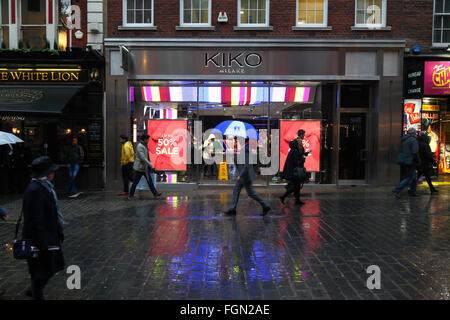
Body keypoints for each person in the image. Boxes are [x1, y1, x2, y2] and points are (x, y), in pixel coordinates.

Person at [23, 156, 65, 300]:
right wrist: (43, 243)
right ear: (46, 174)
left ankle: (34, 290)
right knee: (41, 271)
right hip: (40, 239)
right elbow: (36, 219)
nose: (54, 173)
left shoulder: (45, 187)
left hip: (49, 235)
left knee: (48, 269)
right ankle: (36, 293)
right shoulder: (35, 190)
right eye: (52, 171)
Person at [224, 138, 271, 216]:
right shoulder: (245, 148)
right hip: (245, 175)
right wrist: (235, 159)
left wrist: (240, 175)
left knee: (251, 193)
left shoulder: (245, 149)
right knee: (236, 190)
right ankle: (232, 208)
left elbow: (246, 165)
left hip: (245, 176)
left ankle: (265, 205)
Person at [128, 134, 162, 200]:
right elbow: (143, 158)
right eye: (148, 139)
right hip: (140, 168)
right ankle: (130, 195)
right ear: (145, 139)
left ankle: (155, 193)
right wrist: (151, 165)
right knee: (135, 182)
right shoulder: (140, 146)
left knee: (149, 181)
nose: (149, 140)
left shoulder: (144, 145)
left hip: (144, 168)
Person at [393, 127, 420, 199]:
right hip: (411, 161)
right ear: (414, 133)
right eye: (416, 132)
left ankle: (412, 192)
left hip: (405, 160)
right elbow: (415, 151)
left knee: (414, 177)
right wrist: (417, 160)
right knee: (410, 177)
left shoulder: (404, 139)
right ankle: (397, 189)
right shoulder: (413, 140)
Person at [279, 140, 306, 205]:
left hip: (292, 172)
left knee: (297, 186)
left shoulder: (292, 151)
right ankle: (283, 196)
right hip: (295, 173)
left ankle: (297, 200)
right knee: (296, 187)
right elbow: (297, 163)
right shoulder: (295, 152)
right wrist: (303, 159)